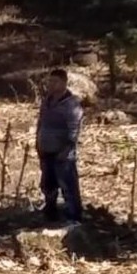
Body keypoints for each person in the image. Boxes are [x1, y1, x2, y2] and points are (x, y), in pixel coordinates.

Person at [36, 68, 84, 223]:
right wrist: (38, 141)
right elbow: (41, 122)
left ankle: (74, 216)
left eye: (55, 81)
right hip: (46, 149)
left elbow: (74, 129)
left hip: (62, 153)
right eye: (50, 81)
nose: (51, 84)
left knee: (68, 185)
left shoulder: (71, 104)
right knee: (48, 184)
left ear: (64, 83)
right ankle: (50, 212)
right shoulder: (47, 101)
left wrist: (66, 149)